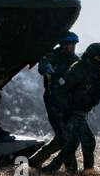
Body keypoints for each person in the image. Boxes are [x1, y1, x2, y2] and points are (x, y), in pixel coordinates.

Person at [42, 42, 100, 174]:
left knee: (71, 144)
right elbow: (62, 90)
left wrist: (98, 84)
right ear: (91, 56)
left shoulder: (96, 71)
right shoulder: (78, 69)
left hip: (83, 111)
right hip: (74, 111)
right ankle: (89, 170)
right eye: (97, 57)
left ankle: (51, 168)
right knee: (88, 141)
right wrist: (66, 110)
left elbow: (97, 94)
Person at [29, 31, 79, 168]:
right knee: (65, 137)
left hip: (68, 102)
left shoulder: (74, 59)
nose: (73, 47)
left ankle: (33, 162)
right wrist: (56, 73)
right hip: (53, 100)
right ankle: (72, 171)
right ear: (63, 45)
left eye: (74, 45)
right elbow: (43, 69)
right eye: (71, 45)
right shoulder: (51, 57)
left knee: (61, 138)